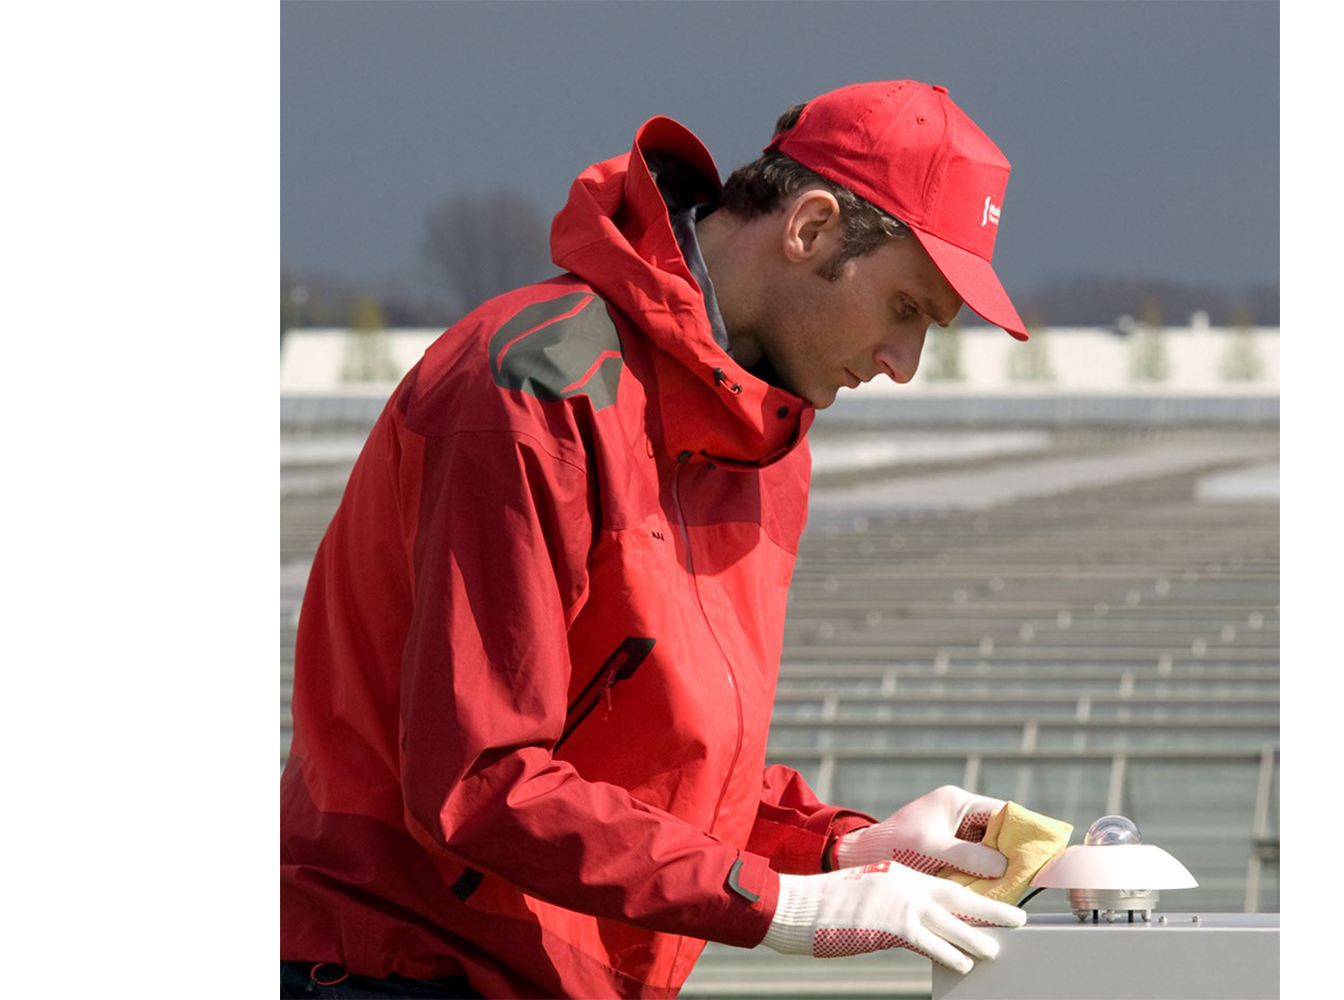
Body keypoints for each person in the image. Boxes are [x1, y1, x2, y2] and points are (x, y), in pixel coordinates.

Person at [282, 79, 1037, 1000]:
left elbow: (649, 762)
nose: (903, 365)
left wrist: (839, 846)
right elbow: (480, 781)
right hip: (402, 965)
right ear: (810, 228)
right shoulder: (535, 392)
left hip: (559, 975)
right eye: (906, 308)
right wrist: (777, 904)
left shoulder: (767, 443)